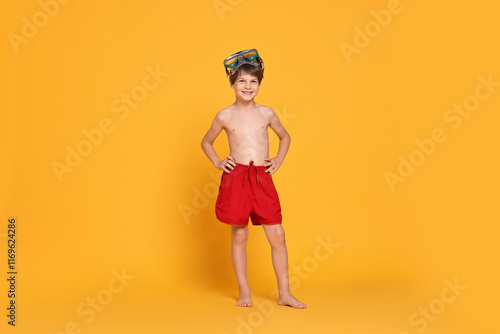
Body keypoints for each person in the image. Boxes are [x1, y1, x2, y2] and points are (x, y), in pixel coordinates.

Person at [201, 49, 306, 309]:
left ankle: (284, 293)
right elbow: (206, 142)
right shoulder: (224, 115)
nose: (248, 86)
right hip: (236, 178)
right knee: (239, 236)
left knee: (277, 234)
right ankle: (244, 291)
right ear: (232, 83)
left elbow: (285, 136)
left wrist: (279, 159)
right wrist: (217, 161)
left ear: (259, 84)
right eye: (242, 81)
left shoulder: (267, 113)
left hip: (261, 177)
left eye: (253, 82)